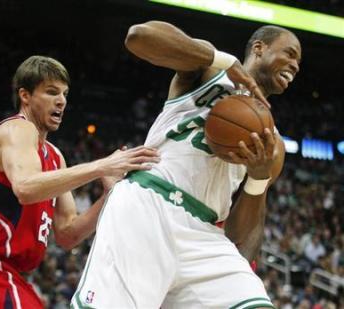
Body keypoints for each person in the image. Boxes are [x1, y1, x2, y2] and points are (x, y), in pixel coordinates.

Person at [72, 21, 301, 308]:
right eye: (290, 53)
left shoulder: (273, 145)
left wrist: (257, 178)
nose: (295, 65)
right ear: (259, 48)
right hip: (150, 203)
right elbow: (139, 37)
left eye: (298, 61)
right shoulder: (208, 70)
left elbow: (242, 242)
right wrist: (222, 60)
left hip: (204, 233)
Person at [0, 55, 160, 308]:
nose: (62, 101)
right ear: (25, 96)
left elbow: (68, 234)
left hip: (8, 274)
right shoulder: (17, 129)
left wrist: (108, 194)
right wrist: (101, 164)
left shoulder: (55, 157)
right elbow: (25, 188)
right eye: (51, 92)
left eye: (65, 93)